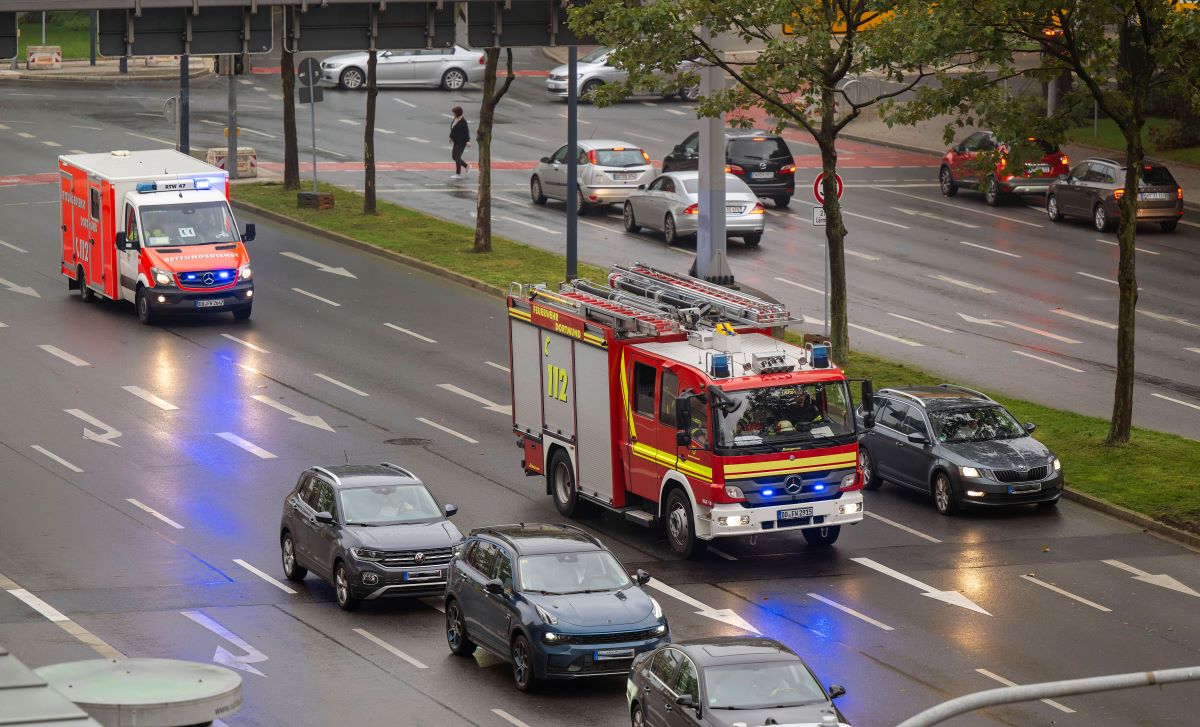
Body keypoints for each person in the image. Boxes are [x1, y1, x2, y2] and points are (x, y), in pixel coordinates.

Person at [448, 106, 470, 180]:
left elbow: (466, 131)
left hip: (462, 142)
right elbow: (453, 129)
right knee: (454, 157)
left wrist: (468, 141)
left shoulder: (463, 121)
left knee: (457, 157)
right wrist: (451, 137)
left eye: (454, 113)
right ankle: (466, 166)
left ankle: (458, 174)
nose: (453, 114)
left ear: (457, 113)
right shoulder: (455, 119)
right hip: (456, 141)